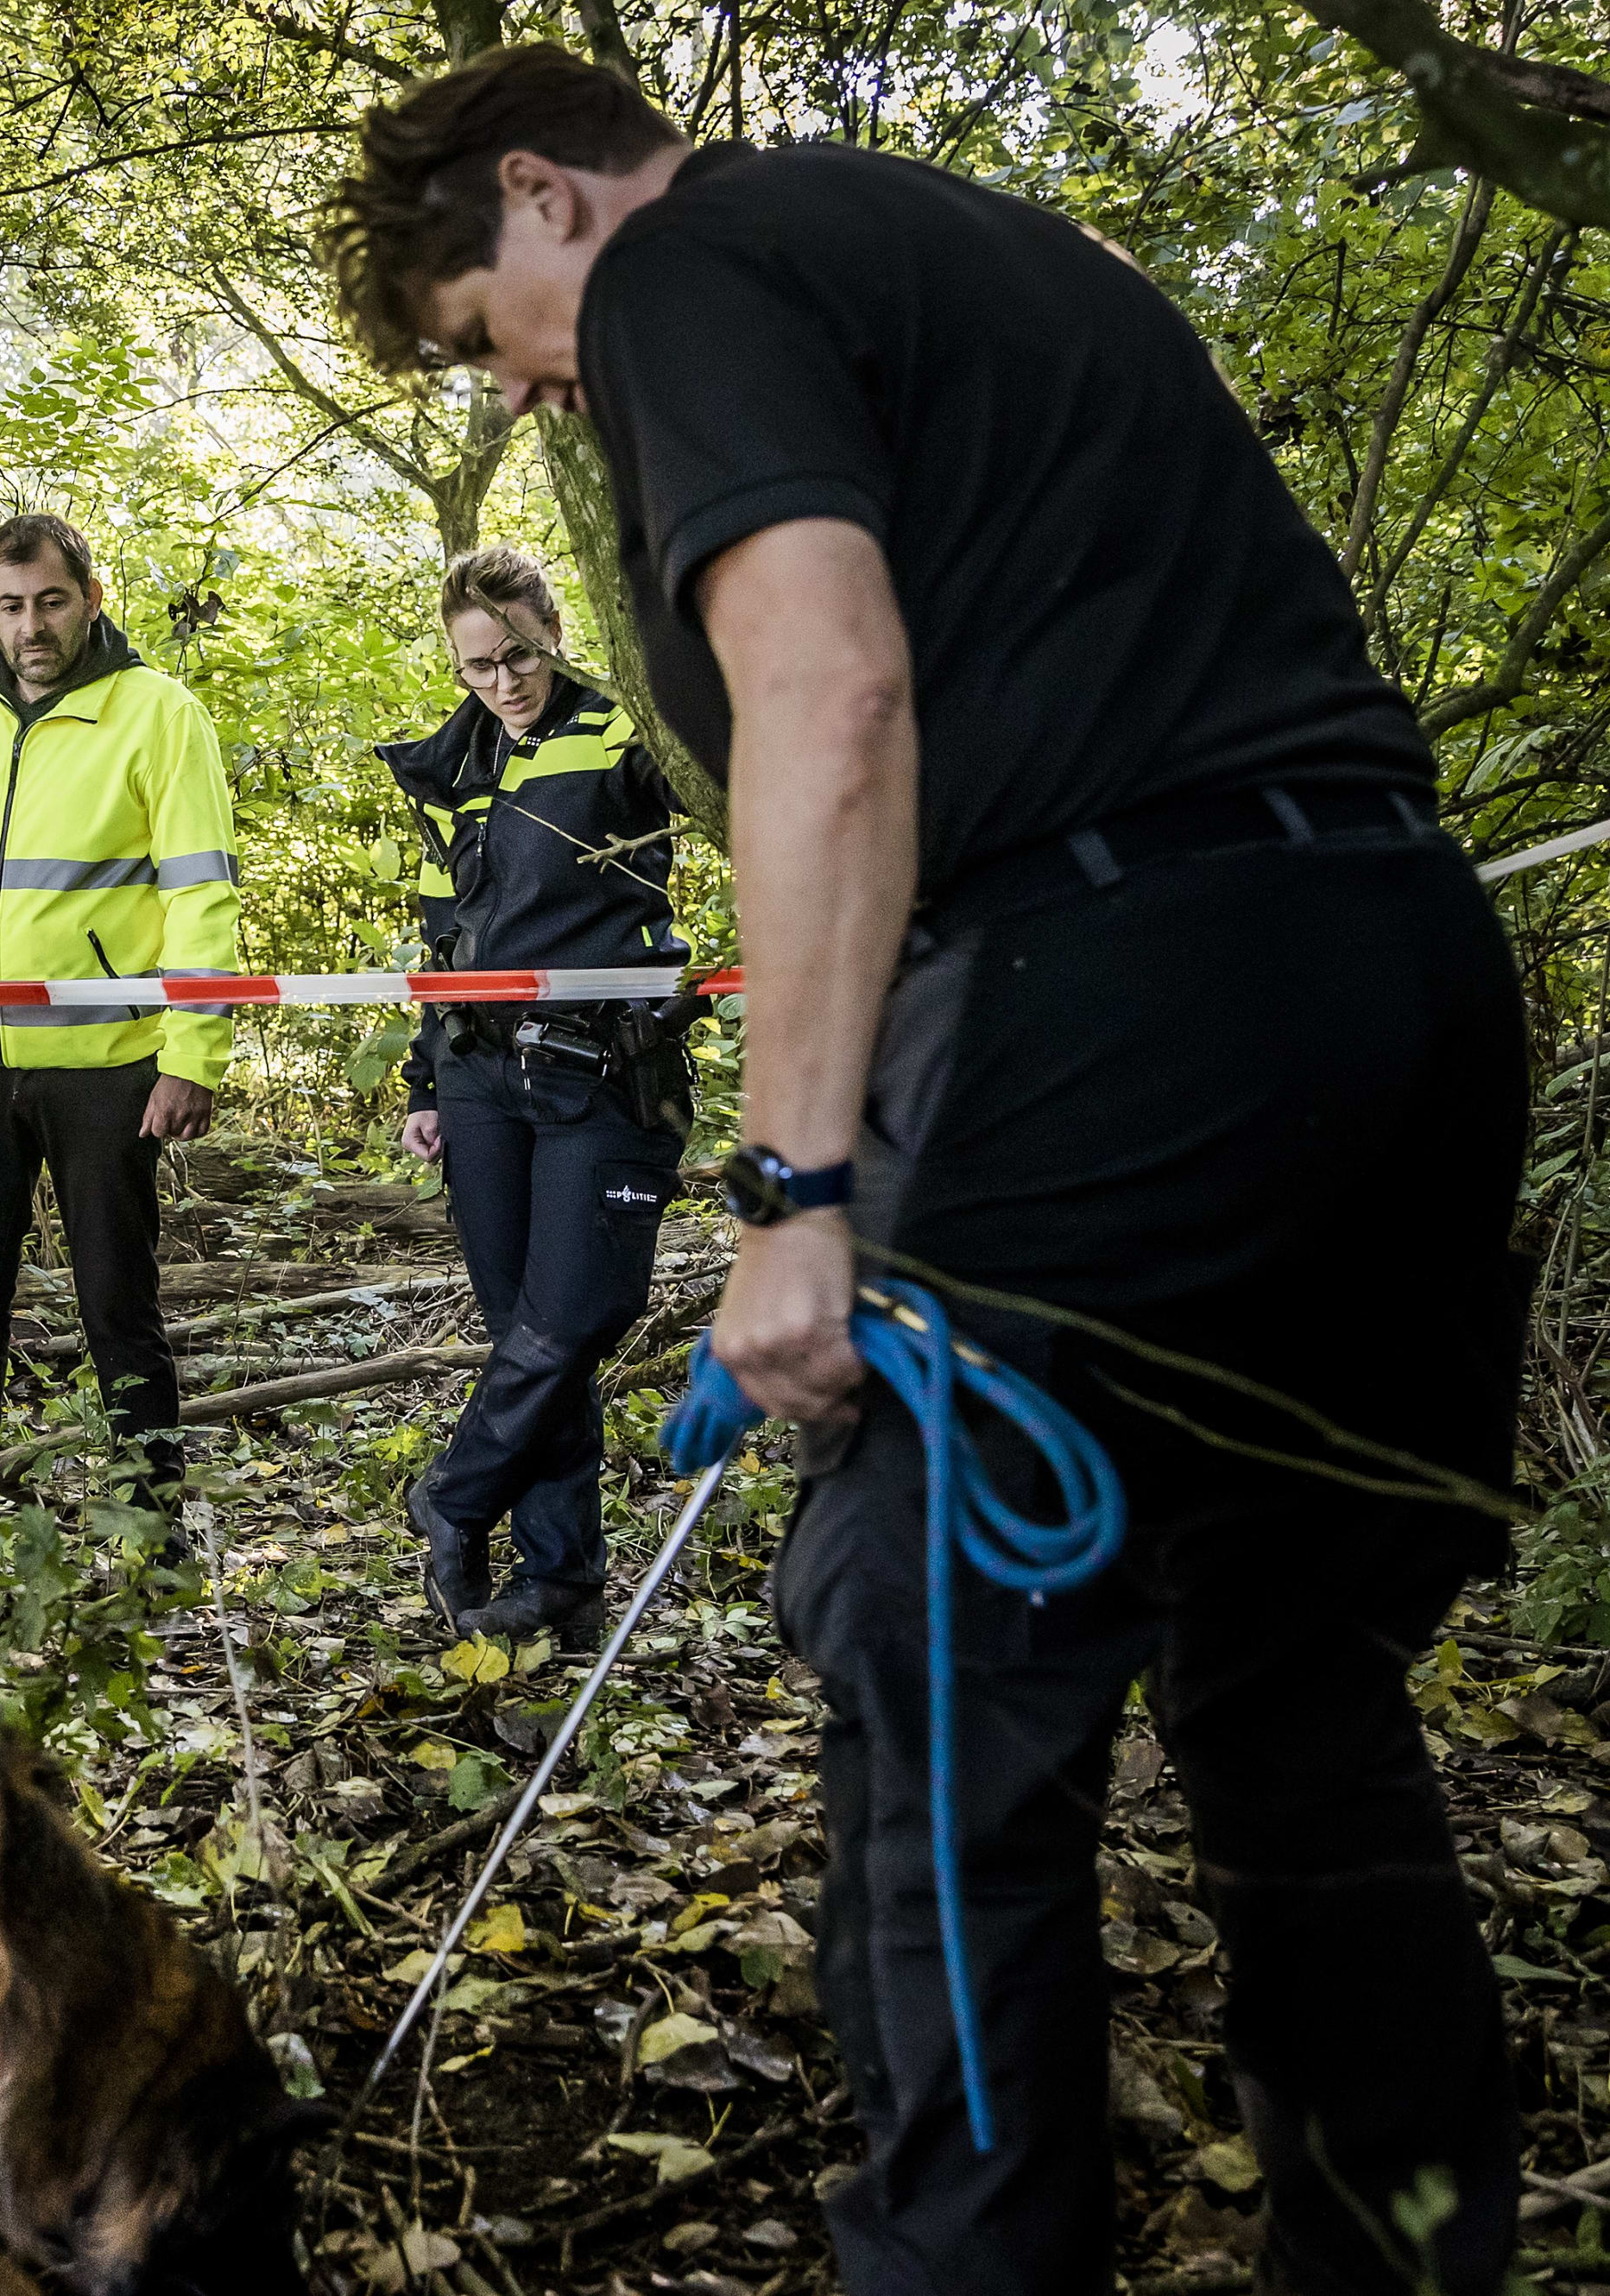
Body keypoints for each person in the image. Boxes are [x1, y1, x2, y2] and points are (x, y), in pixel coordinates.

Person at [325, 46, 1523, 2296]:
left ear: (541, 196)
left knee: (938, 1655)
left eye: (497, 344)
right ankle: (1415, 2243)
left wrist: (796, 1192)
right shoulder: (970, 243)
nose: (541, 402)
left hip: (1122, 989)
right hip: (1399, 977)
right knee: (1296, 1695)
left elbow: (833, 699)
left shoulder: (688, 269)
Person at [0, 513, 242, 1509]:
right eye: (12, 605)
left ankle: (151, 1519)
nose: (32, 626)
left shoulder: (158, 713)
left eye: (52, 602)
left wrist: (193, 1054)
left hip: (105, 1064)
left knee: (118, 1302)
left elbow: (201, 896)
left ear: (92, 598)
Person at [384, 543, 689, 1649]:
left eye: (518, 654)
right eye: (478, 665)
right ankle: (562, 1578)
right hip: (476, 1078)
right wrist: (424, 1077)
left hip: (599, 1072)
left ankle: (453, 1497)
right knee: (522, 1331)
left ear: (554, 630)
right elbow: (441, 938)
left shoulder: (625, 733)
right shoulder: (450, 767)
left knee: (575, 1318)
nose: (503, 680)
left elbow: (726, 788)